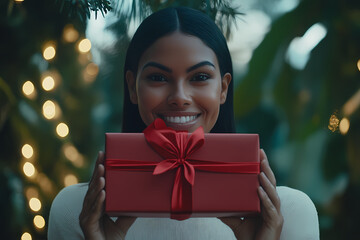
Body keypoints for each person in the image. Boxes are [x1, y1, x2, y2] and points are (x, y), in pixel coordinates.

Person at [48, 7, 319, 240]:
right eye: (158, 78)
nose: (179, 98)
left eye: (200, 77)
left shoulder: (290, 214)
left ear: (223, 89)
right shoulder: (74, 210)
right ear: (132, 87)